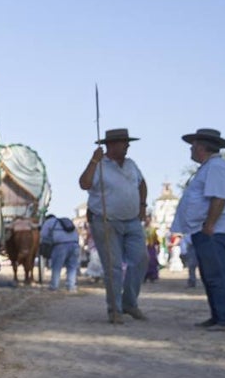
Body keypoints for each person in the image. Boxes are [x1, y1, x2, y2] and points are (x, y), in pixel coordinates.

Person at [171, 128, 225, 331]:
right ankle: (218, 316)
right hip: (208, 230)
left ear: (201, 147)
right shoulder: (209, 167)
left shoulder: (216, 167)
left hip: (215, 230)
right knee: (211, 275)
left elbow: (218, 198)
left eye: (193, 145)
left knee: (218, 275)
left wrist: (209, 224)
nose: (191, 149)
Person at [79, 128, 149, 324]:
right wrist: (94, 160)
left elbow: (142, 184)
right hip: (105, 221)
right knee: (113, 267)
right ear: (111, 145)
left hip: (133, 221)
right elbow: (84, 184)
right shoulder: (99, 165)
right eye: (124, 143)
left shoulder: (132, 165)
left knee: (141, 260)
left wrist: (143, 205)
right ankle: (115, 309)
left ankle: (129, 302)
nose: (127, 146)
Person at [39, 214, 81, 291]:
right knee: (72, 267)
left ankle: (54, 286)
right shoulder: (64, 221)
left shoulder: (48, 222)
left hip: (60, 245)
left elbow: (43, 234)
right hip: (75, 244)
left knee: (56, 267)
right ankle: (71, 287)